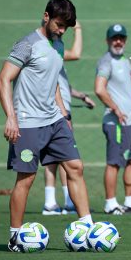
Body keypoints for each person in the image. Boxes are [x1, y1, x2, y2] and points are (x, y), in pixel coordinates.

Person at [0, 0, 93, 252]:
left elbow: (54, 84)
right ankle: (15, 236)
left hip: (54, 120)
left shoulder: (58, 45)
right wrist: (11, 116)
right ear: (46, 16)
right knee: (26, 178)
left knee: (75, 167)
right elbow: (3, 80)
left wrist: (64, 115)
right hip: (27, 122)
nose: (62, 31)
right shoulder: (27, 44)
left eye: (66, 28)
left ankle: (88, 229)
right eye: (60, 25)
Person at [41, 20, 96, 215]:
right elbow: (77, 54)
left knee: (54, 158)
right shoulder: (51, 49)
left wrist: (82, 96)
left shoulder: (56, 53)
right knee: (66, 156)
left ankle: (52, 203)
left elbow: (62, 85)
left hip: (58, 109)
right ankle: (67, 201)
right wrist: (79, 28)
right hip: (57, 111)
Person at [94, 23, 131, 215]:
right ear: (108, 40)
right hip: (115, 122)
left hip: (129, 122)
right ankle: (110, 203)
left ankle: (130, 201)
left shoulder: (125, 60)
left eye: (121, 38)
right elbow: (99, 89)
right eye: (114, 38)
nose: (118, 41)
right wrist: (115, 108)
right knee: (114, 162)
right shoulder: (106, 62)